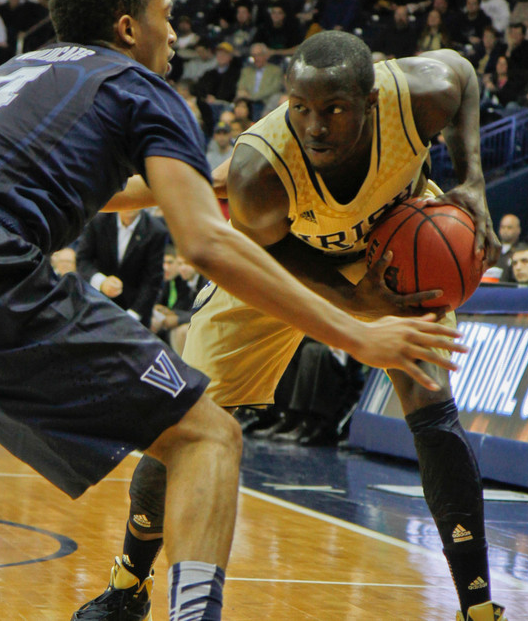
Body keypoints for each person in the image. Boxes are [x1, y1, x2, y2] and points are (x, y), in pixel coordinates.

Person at [0, 0, 464, 621]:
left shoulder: (19, 69)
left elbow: (96, 187)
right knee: (206, 437)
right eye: (166, 14)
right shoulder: (142, 87)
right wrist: (356, 331)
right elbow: (206, 242)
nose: (176, 30)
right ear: (128, 27)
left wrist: (202, 179)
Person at [71, 31, 503, 621]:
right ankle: (128, 586)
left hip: (389, 253)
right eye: (300, 108)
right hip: (276, 261)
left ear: (370, 100)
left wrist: (473, 179)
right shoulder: (259, 169)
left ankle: (477, 608)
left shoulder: (420, 94)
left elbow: (464, 68)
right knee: (185, 421)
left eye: (334, 110)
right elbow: (268, 266)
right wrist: (356, 305)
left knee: (432, 406)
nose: (316, 126)